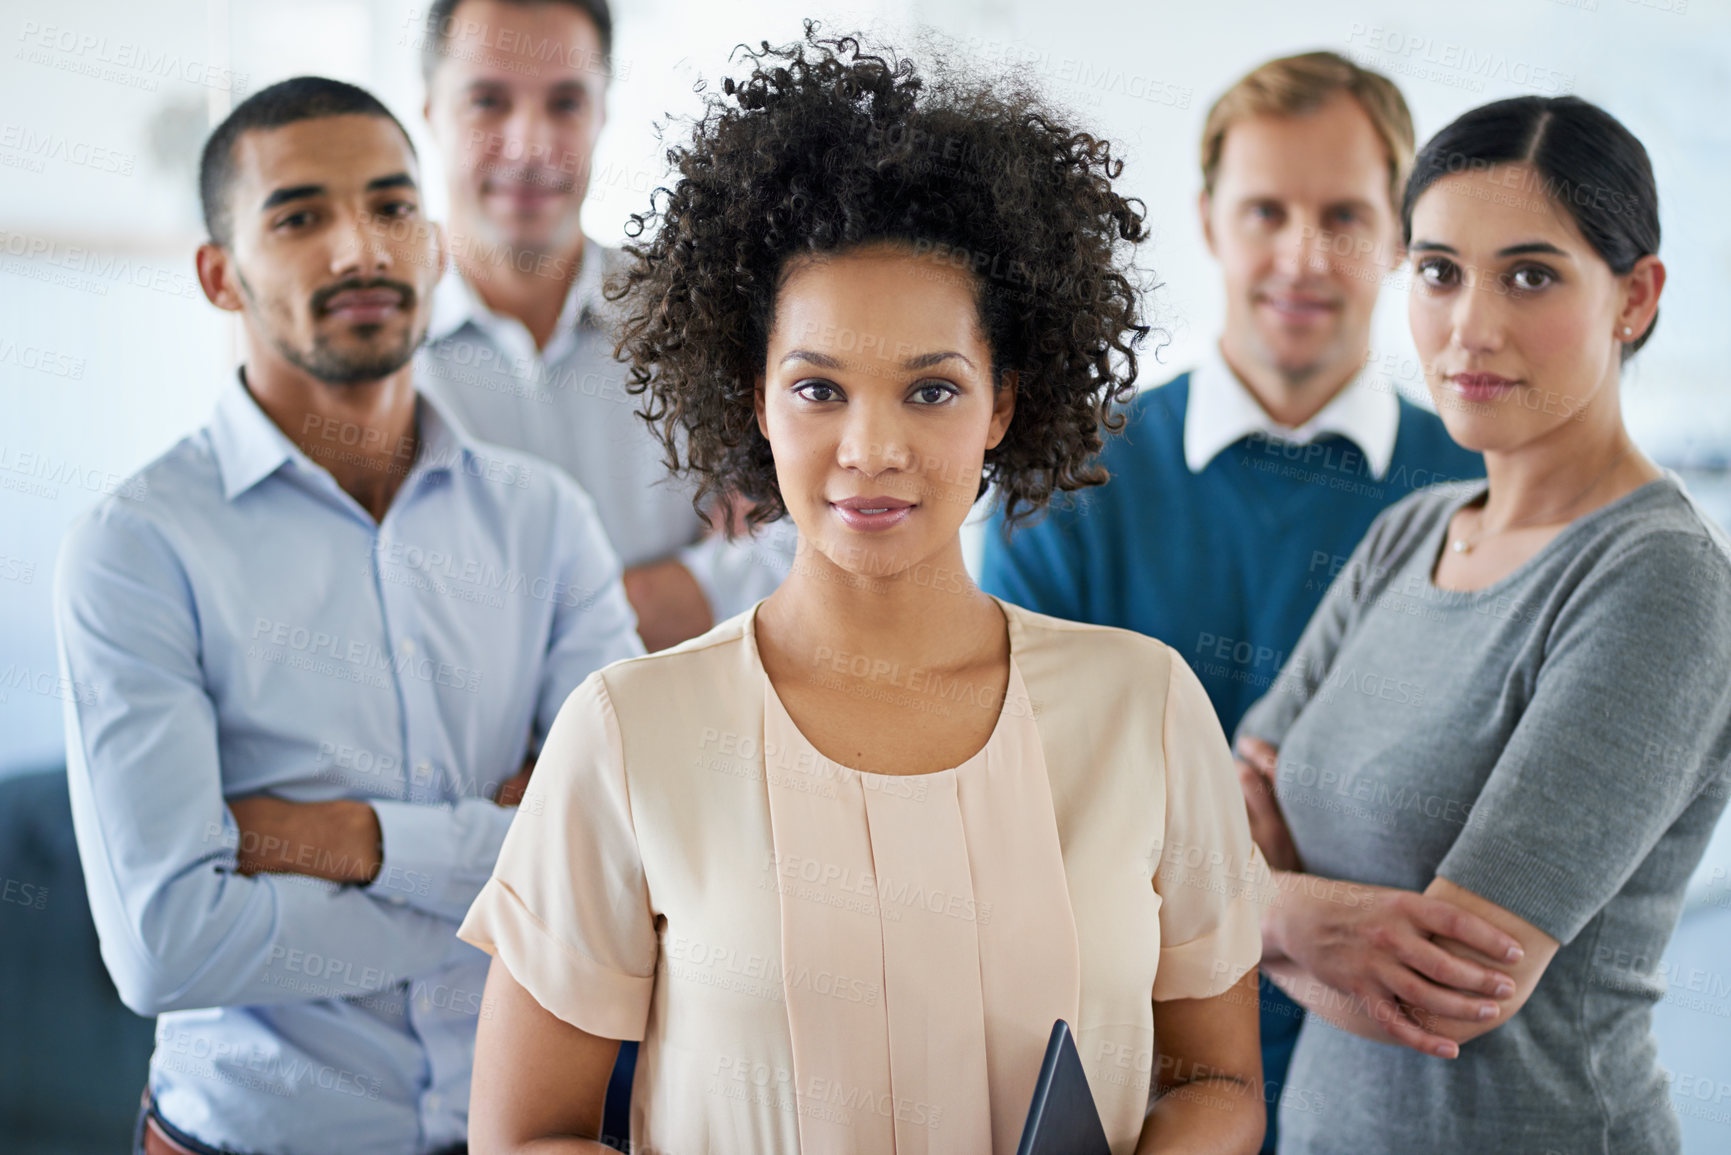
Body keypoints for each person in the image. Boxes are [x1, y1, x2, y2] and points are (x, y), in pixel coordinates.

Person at [455, 27, 1269, 1155]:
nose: (871, 449)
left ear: (1001, 405)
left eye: (931, 391)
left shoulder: (1145, 707)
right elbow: (527, 1133)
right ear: (753, 399)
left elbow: (1217, 1080)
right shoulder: (628, 733)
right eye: (820, 388)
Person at [53, 77, 642, 1155]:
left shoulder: (546, 523)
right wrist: (496, 870)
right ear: (219, 275)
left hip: (515, 1135)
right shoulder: (137, 548)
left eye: (391, 206)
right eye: (299, 217)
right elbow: (166, 947)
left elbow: (618, 864)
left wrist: (351, 840)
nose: (358, 248)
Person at [975, 51, 1483, 1147]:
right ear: (1209, 222)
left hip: (1410, 1088)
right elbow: (1005, 808)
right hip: (1130, 1084)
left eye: (1346, 215)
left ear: (1402, 236)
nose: (1303, 256)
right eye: (1267, 212)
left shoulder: (1483, 493)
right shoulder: (1064, 486)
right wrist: (1276, 899)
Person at [1234, 95, 1731, 1154]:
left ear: (1634, 297)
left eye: (1532, 275)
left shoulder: (1657, 584)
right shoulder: (1409, 531)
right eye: (1439, 270)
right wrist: (1301, 920)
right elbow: (1224, 800)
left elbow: (1441, 1000)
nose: (1471, 327)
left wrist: (1245, 912)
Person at [415, 0, 794, 651]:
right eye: (487, 101)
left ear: (602, 112)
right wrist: (658, 598)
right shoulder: (376, 347)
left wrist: (523, 633)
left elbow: (798, 545)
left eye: (565, 103)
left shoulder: (699, 311)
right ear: (429, 113)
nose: (530, 145)